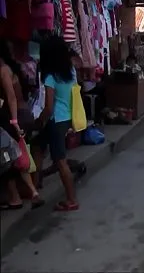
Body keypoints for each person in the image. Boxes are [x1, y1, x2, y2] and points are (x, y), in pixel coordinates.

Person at [34, 35, 79, 211]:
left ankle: (71, 199)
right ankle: (35, 186)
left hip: (55, 120)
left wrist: (40, 120)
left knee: (60, 160)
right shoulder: (68, 74)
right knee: (37, 145)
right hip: (66, 118)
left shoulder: (50, 77)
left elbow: (49, 107)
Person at [0, 41, 45, 210]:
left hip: (13, 118)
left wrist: (13, 122)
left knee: (8, 160)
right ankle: (33, 192)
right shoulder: (12, 69)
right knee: (18, 156)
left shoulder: (3, 71)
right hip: (23, 115)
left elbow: (11, 97)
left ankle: (15, 198)